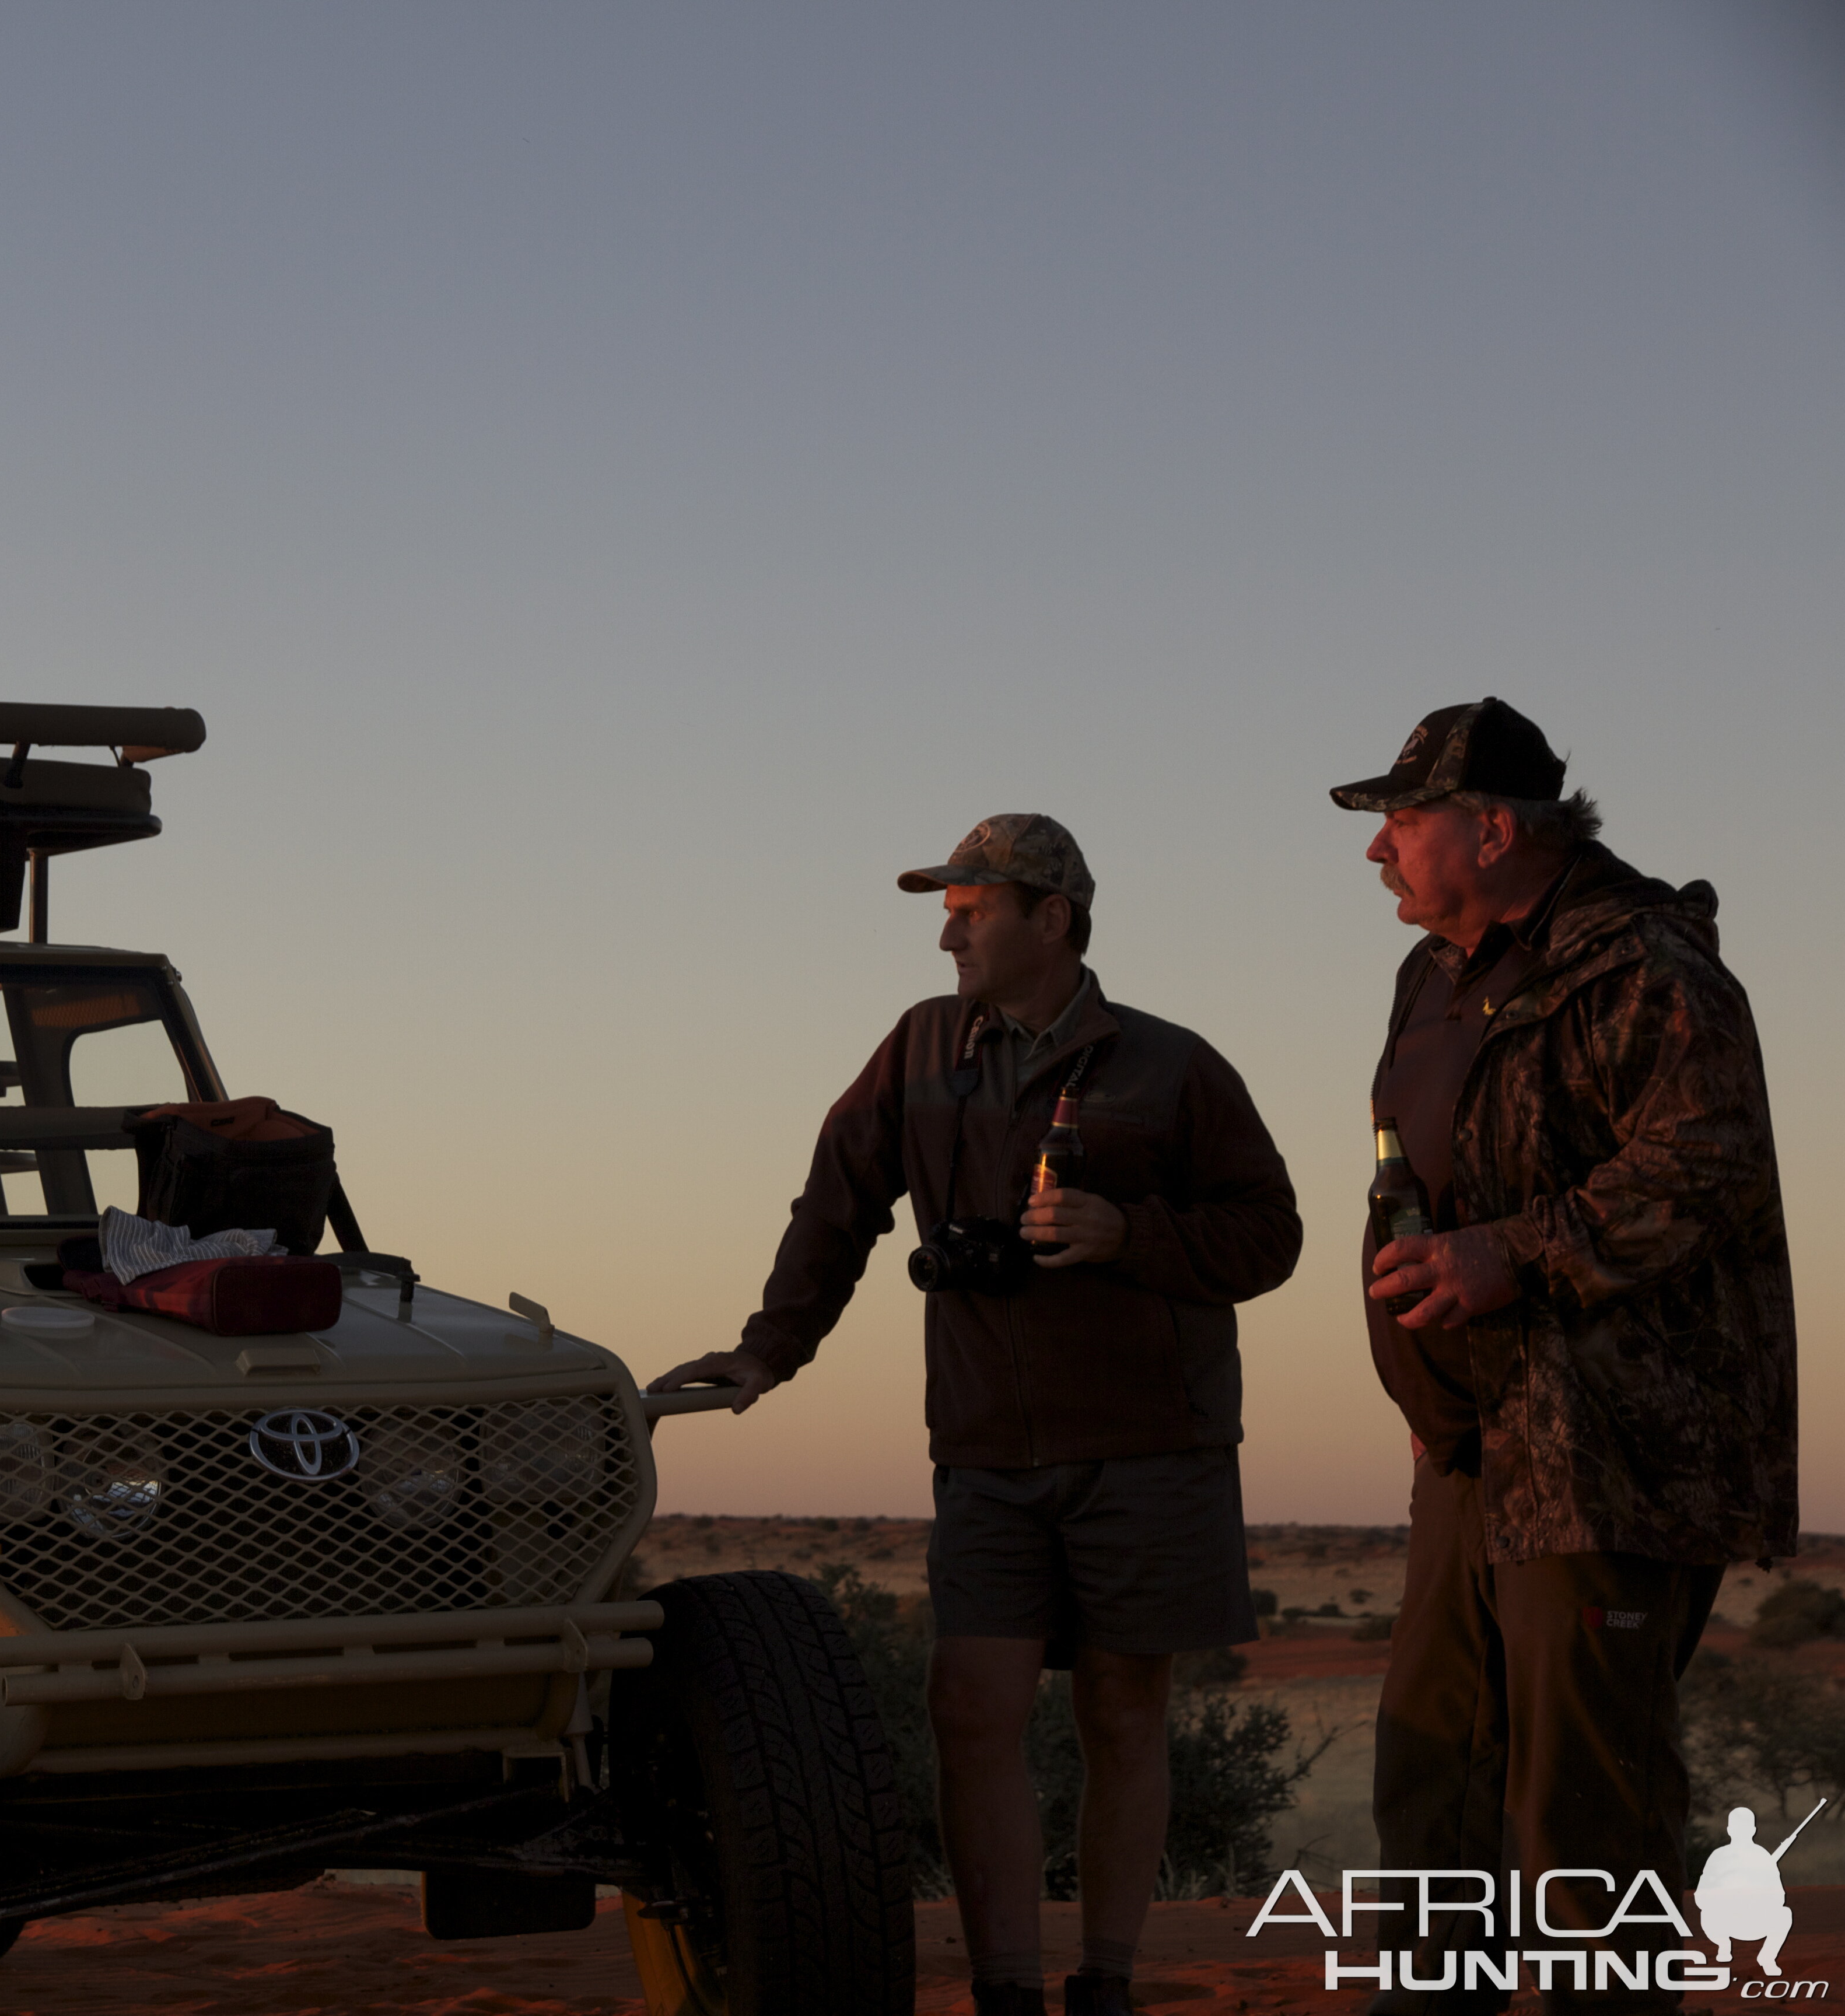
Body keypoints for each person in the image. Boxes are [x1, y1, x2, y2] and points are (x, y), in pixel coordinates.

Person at [649, 814, 1301, 2016]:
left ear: (1050, 918)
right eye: (944, 909)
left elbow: (1272, 1236)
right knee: (971, 1706)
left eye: (972, 907)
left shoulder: (1172, 1066)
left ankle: (1103, 1980)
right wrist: (767, 1352)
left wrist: (1127, 1234)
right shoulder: (918, 1049)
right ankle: (1004, 1988)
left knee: (1122, 1707)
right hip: (988, 1449)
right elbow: (837, 1203)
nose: (948, 932)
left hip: (1151, 1444)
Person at [1335, 699, 1795, 2013]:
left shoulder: (1648, 963)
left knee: (1581, 1818)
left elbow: (1709, 1164)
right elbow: (1406, 1186)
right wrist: (1424, 1375)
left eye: (1403, 824)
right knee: (1436, 1785)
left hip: (1610, 1452)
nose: (1380, 854)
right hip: (1465, 1447)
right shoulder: (1435, 979)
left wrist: (1512, 1256)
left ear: (1494, 828)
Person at [1694, 1807, 1798, 1976]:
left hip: (1753, 1922)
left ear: (1729, 1830)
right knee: (1707, 1913)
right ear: (1754, 1830)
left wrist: (1754, 1897)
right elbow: (1701, 1898)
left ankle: (1766, 1958)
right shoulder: (1720, 1856)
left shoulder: (1762, 1857)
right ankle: (1723, 1945)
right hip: (1724, 1921)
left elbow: (1779, 1898)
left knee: (1784, 1914)